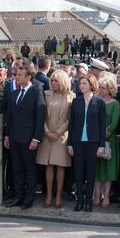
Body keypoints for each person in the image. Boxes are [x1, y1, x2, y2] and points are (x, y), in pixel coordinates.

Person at [4, 65, 46, 209]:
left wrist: (36, 139)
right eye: (17, 74)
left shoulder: (37, 92)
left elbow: (40, 118)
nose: (17, 77)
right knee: (17, 169)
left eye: (20, 75)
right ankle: (18, 196)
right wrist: (7, 135)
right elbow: (9, 117)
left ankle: (29, 198)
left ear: (28, 77)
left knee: (29, 170)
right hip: (15, 137)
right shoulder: (13, 94)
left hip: (28, 139)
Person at [67, 74, 107, 212]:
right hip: (77, 141)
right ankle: (79, 201)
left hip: (93, 142)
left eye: (84, 83)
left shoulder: (99, 102)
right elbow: (71, 124)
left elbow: (103, 126)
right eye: (80, 83)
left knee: (90, 173)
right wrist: (70, 143)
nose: (81, 86)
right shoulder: (76, 102)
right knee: (78, 172)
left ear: (91, 84)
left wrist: (101, 145)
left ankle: (88, 201)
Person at [36, 70, 74, 209]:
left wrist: (58, 133)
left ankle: (58, 195)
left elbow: (71, 119)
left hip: (62, 136)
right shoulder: (46, 94)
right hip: (47, 135)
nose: (53, 83)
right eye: (52, 80)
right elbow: (42, 115)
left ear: (63, 81)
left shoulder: (71, 97)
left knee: (60, 166)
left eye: (56, 80)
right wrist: (46, 131)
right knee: (49, 165)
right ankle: (48, 194)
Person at [94, 75, 120, 208]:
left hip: (109, 140)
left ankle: (106, 197)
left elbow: (115, 122)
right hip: (96, 140)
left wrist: (106, 133)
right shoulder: (96, 101)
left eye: (103, 88)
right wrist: (97, 134)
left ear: (110, 89)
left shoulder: (115, 103)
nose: (101, 90)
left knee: (109, 170)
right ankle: (97, 196)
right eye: (100, 87)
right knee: (97, 170)